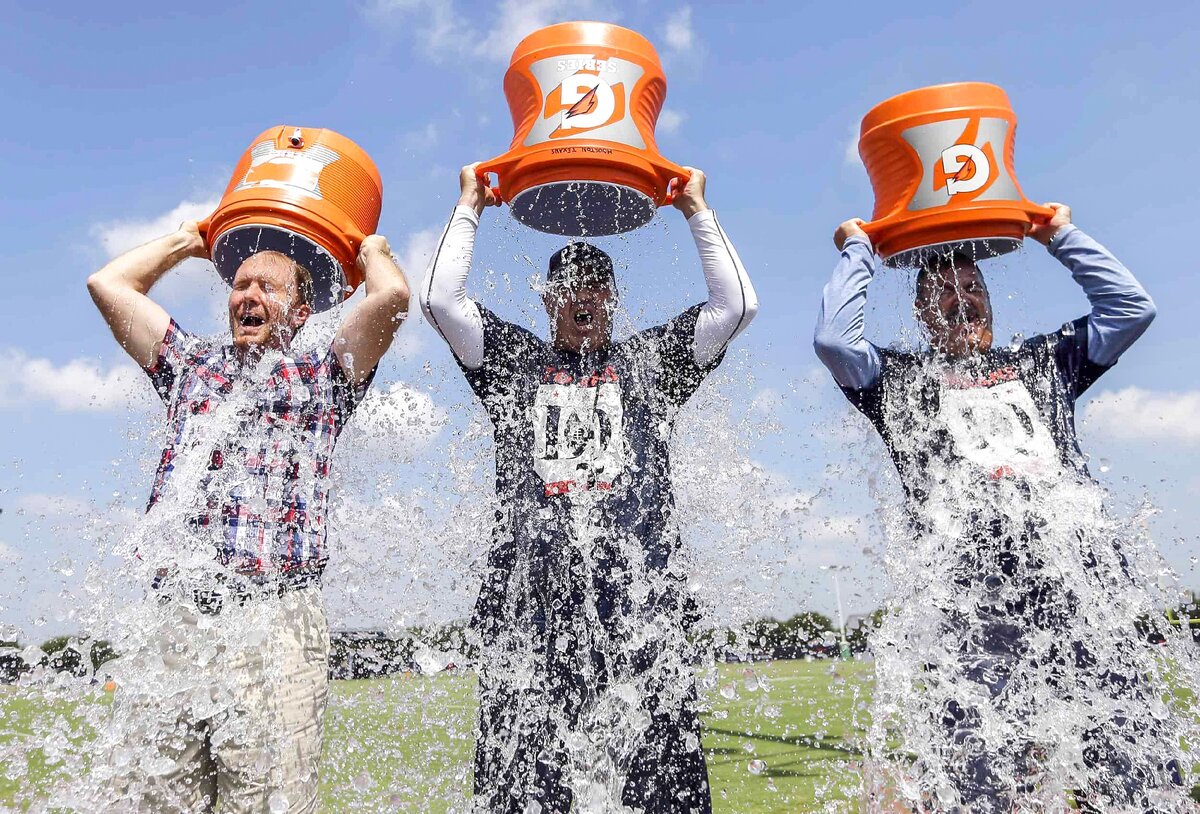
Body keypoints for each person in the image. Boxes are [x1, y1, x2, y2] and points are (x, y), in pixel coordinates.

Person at [814, 206, 1180, 811]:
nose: (962, 301)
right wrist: (860, 250)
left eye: (972, 287)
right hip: (972, 604)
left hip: (1076, 581)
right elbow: (834, 342)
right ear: (920, 312)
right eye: (942, 292)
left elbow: (1131, 310)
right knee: (977, 777)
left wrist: (1058, 235)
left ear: (989, 300)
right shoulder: (900, 381)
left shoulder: (1044, 361)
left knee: (1131, 762)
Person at [420, 164, 757, 813]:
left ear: (614, 299)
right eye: (570, 286)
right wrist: (469, 204)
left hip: (640, 622)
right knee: (521, 796)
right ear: (548, 301)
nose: (585, 296)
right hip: (530, 623)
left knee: (664, 797)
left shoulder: (647, 364)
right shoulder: (516, 364)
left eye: (598, 286)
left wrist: (695, 209)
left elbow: (735, 307)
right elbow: (440, 303)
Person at [86, 220, 409, 812]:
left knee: (266, 802)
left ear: (303, 311)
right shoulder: (191, 366)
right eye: (239, 285)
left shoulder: (324, 378)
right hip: (176, 618)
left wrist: (368, 249)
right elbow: (108, 283)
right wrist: (191, 241)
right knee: (156, 800)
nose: (248, 296)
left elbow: (391, 297)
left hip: (276, 623)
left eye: (267, 287)